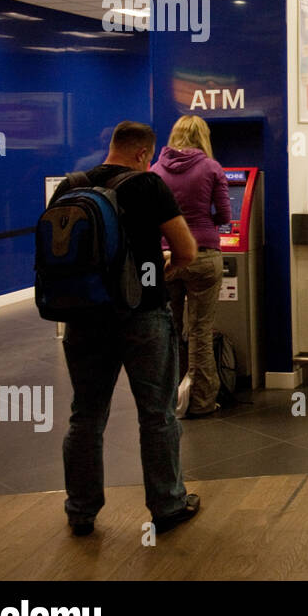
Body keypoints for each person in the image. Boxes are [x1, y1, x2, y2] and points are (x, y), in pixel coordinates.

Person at [53, 121, 201, 537]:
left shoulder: (70, 187)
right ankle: (167, 505)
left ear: (112, 145)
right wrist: (163, 273)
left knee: (85, 416)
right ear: (142, 154)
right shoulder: (148, 186)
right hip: (143, 315)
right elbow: (186, 250)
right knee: (156, 415)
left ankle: (81, 510)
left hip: (83, 317)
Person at [151, 115, 231, 418]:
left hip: (167, 257)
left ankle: (170, 400)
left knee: (168, 331)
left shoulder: (155, 170)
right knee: (200, 331)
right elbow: (224, 215)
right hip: (203, 255)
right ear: (203, 137)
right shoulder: (211, 167)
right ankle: (200, 401)